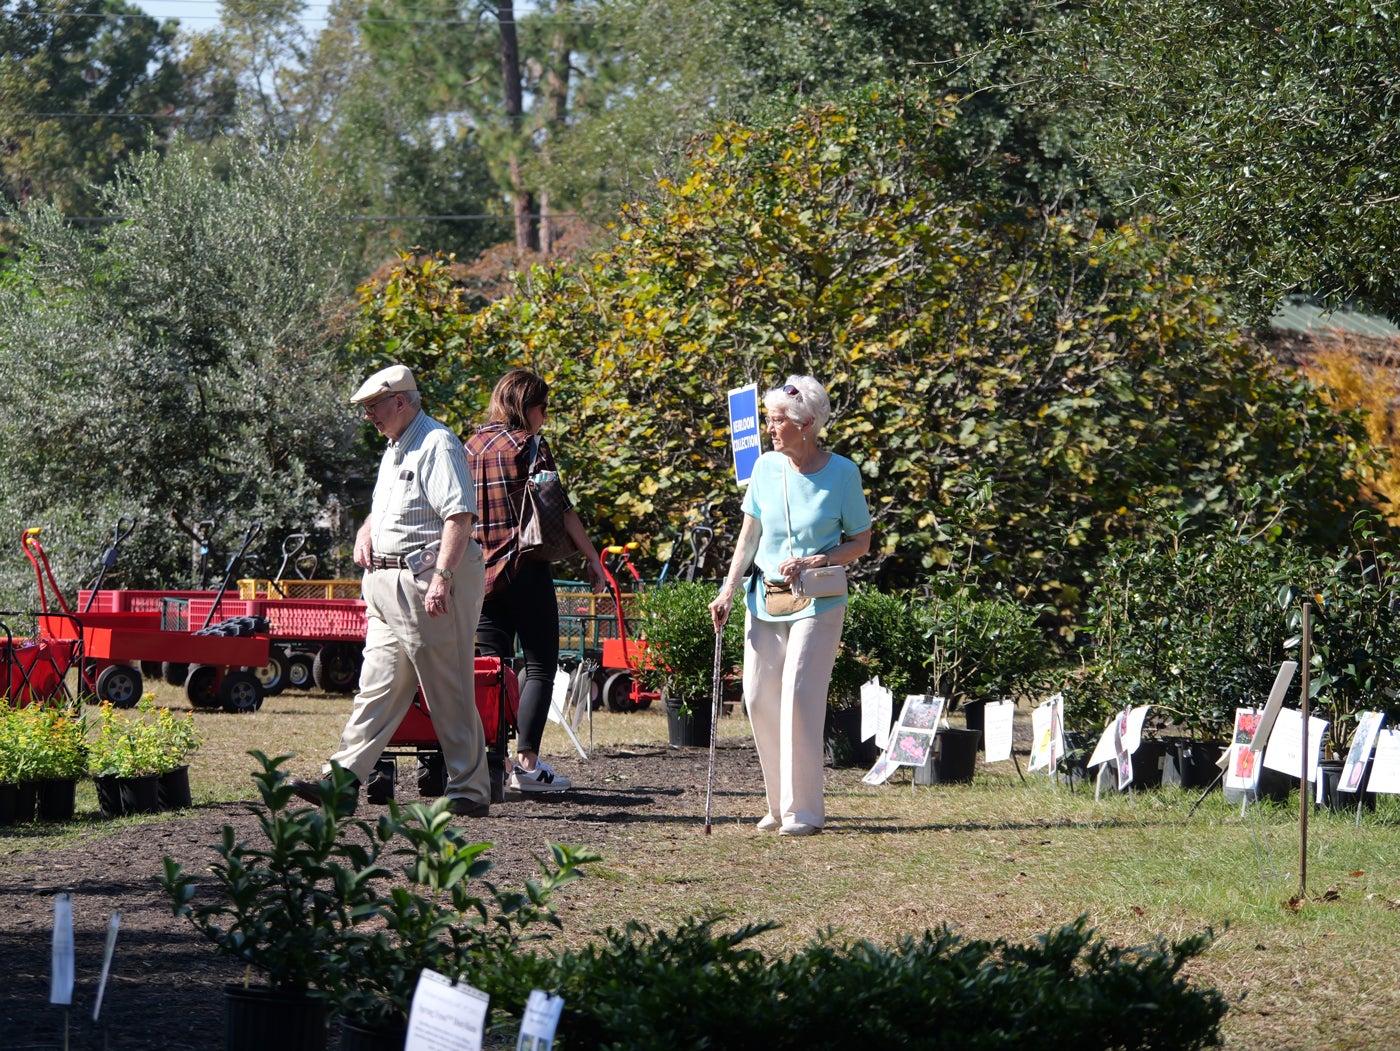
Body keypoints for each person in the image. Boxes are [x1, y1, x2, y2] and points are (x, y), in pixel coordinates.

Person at [289, 364, 492, 817]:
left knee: (447, 688)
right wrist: (366, 531)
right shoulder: (395, 447)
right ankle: (342, 782)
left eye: (372, 406)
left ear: (400, 401)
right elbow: (387, 511)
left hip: (425, 581)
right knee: (376, 686)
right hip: (385, 583)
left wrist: (443, 577)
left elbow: (459, 516)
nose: (368, 416)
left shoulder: (437, 443)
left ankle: (470, 789)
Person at [709, 375, 872, 836]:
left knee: (799, 696)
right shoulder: (765, 468)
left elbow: (861, 541)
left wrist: (823, 557)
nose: (770, 428)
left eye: (778, 420)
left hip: (818, 600)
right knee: (759, 697)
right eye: (768, 419)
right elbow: (748, 537)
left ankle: (804, 812)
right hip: (765, 597)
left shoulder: (843, 473)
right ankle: (778, 805)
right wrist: (727, 590)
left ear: (806, 424)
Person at [465, 369, 607, 793]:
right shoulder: (530, 446)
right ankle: (526, 765)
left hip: (479, 574)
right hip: (524, 567)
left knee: (494, 670)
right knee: (541, 663)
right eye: (543, 408)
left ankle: (494, 763)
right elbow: (560, 508)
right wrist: (593, 559)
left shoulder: (467, 446)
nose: (544, 417)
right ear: (526, 407)